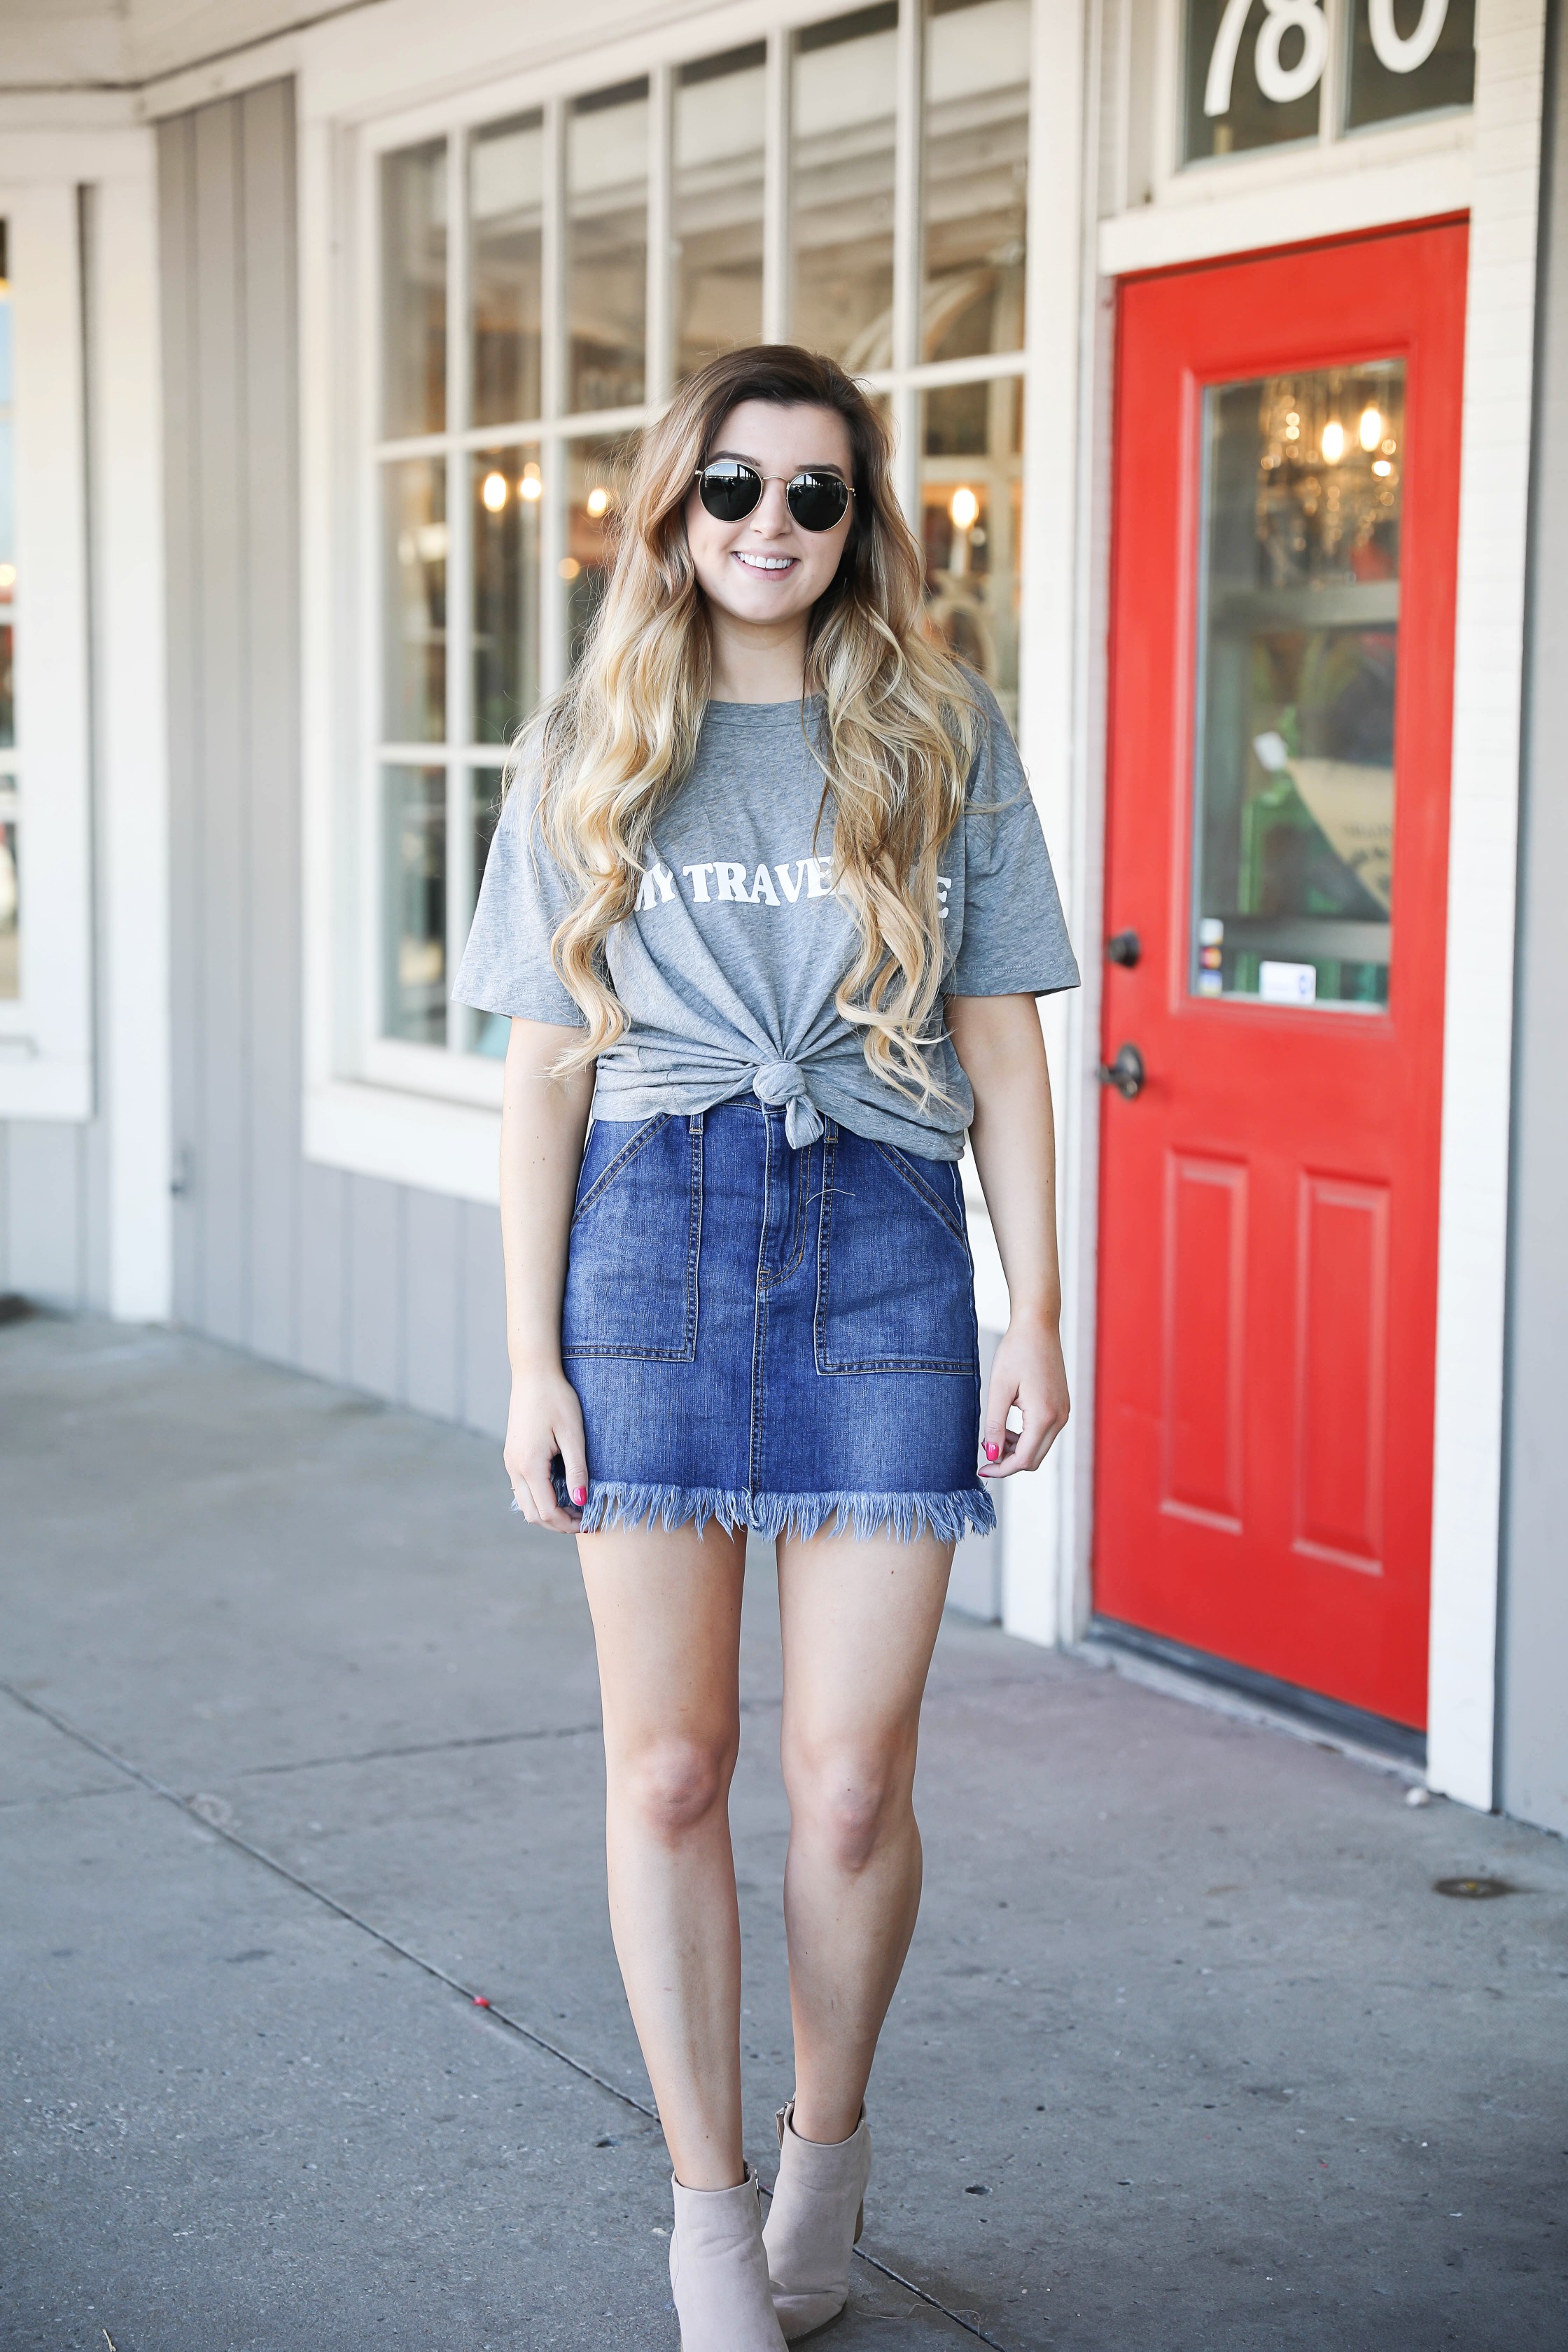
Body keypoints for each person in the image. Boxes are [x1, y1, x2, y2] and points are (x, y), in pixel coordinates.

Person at [454, 345, 1079, 2349]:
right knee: (666, 1772)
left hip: (884, 1251)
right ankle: (706, 2212)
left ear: (860, 521)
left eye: (817, 495)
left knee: (845, 1784)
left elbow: (1002, 1045)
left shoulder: (940, 732)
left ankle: (830, 2145)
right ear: (672, 507)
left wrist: (1034, 1311)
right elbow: (545, 1080)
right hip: (646, 1249)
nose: (774, 530)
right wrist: (532, 1360)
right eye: (734, 488)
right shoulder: (588, 745)